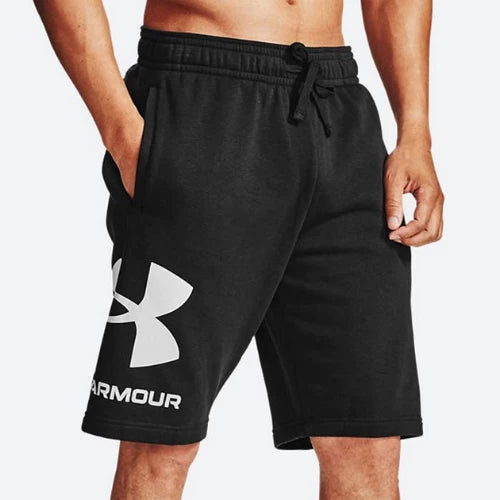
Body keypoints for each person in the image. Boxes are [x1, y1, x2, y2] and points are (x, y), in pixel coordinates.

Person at [34, 0, 444, 498]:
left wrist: (415, 132)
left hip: (338, 110)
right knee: (162, 440)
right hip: (202, 97)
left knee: (367, 440)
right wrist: (123, 134)